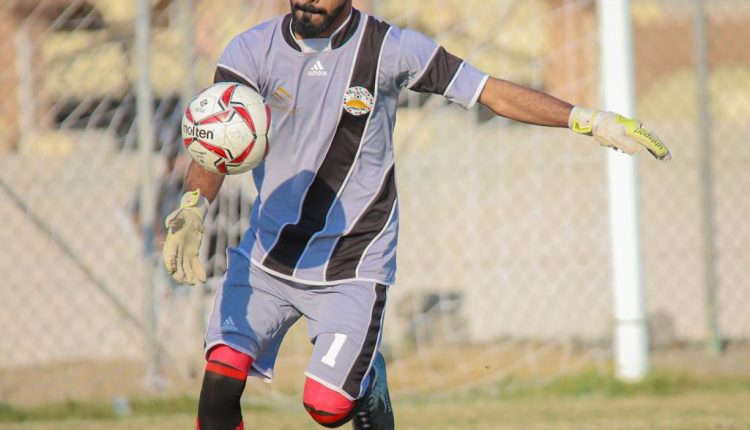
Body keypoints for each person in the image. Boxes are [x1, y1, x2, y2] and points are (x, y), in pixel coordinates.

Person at [162, 1, 671, 429]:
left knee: (327, 407)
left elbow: (489, 91)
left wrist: (586, 119)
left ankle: (368, 382)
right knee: (220, 378)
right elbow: (214, 141)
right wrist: (192, 208)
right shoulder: (249, 51)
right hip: (266, 258)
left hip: (351, 266)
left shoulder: (390, 48)